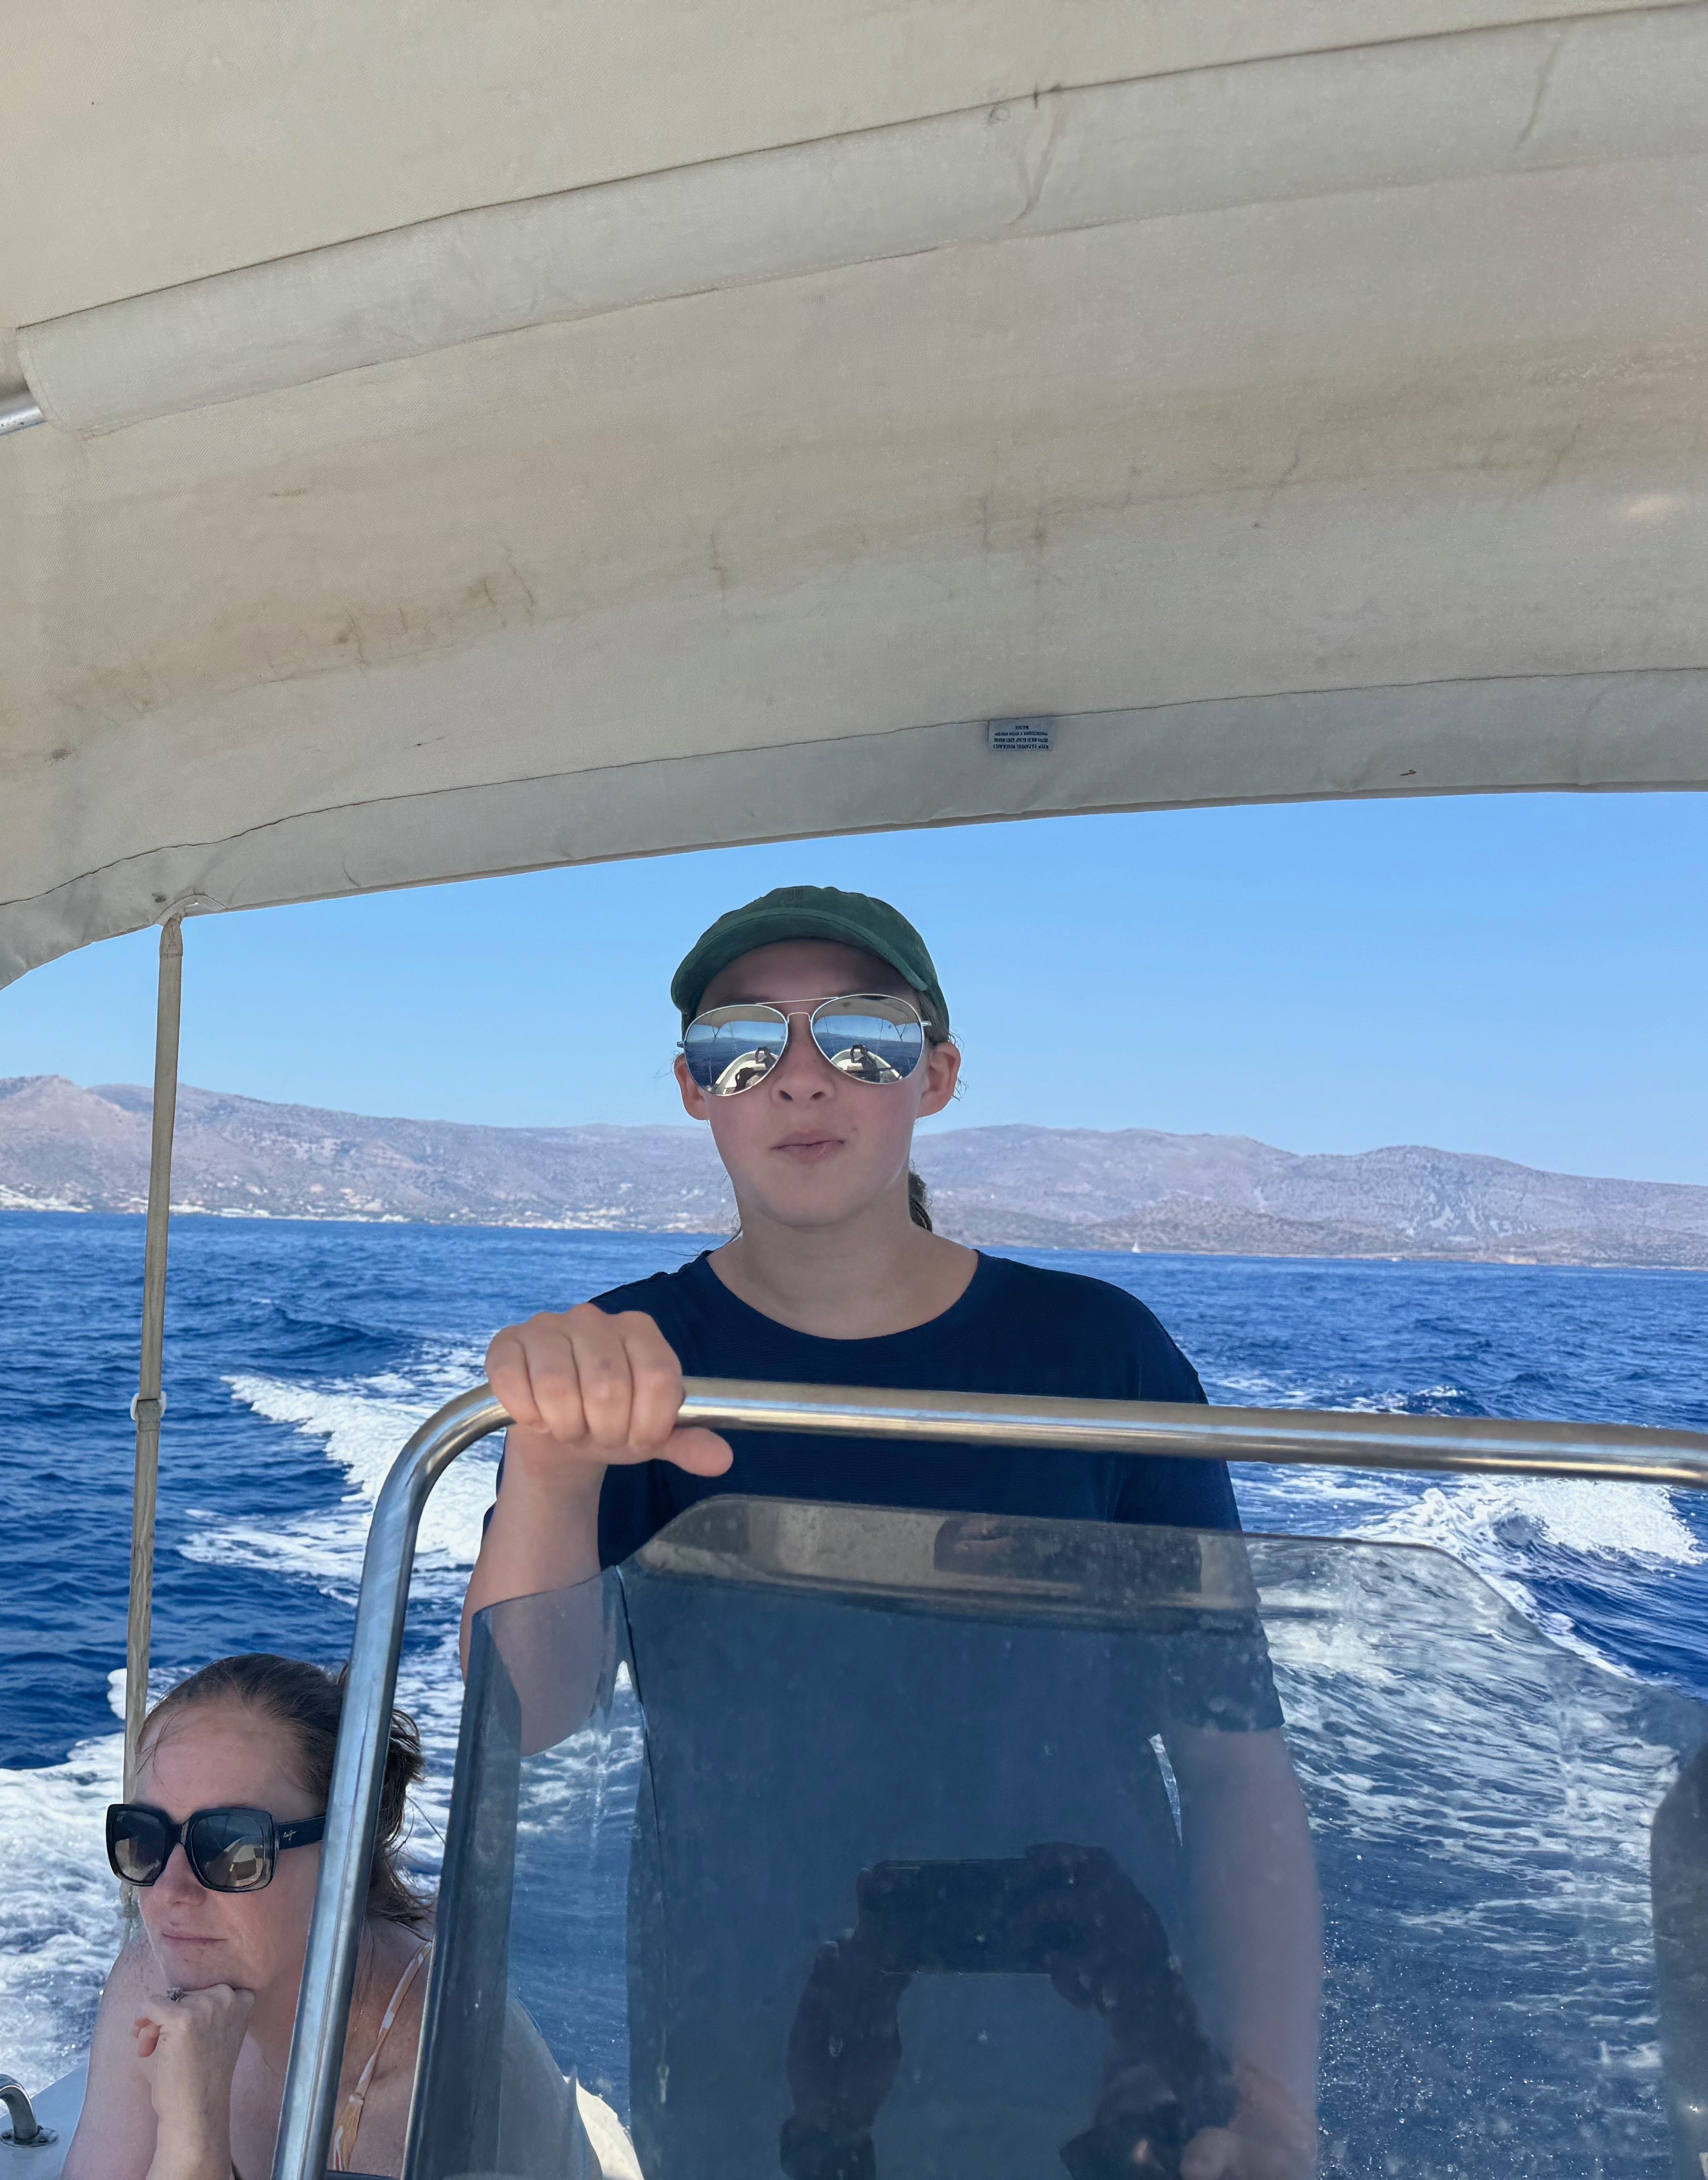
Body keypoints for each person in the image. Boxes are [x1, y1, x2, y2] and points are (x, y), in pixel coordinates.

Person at [461, 885, 1320, 2180]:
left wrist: (1271, 2106)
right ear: (695, 1091)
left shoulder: (1104, 1356)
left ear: (939, 1076)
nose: (803, 1076)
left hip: (1098, 2051)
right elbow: (526, 1715)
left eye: (864, 1035)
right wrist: (551, 1462)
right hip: (752, 2055)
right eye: (740, 1044)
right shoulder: (631, 1368)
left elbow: (1236, 1765)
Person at [65, 1654, 594, 2180]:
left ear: (347, 1850)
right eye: (145, 1836)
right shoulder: (150, 1979)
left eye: (231, 1846)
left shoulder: (437, 2099)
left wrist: (194, 2145)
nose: (170, 1890)